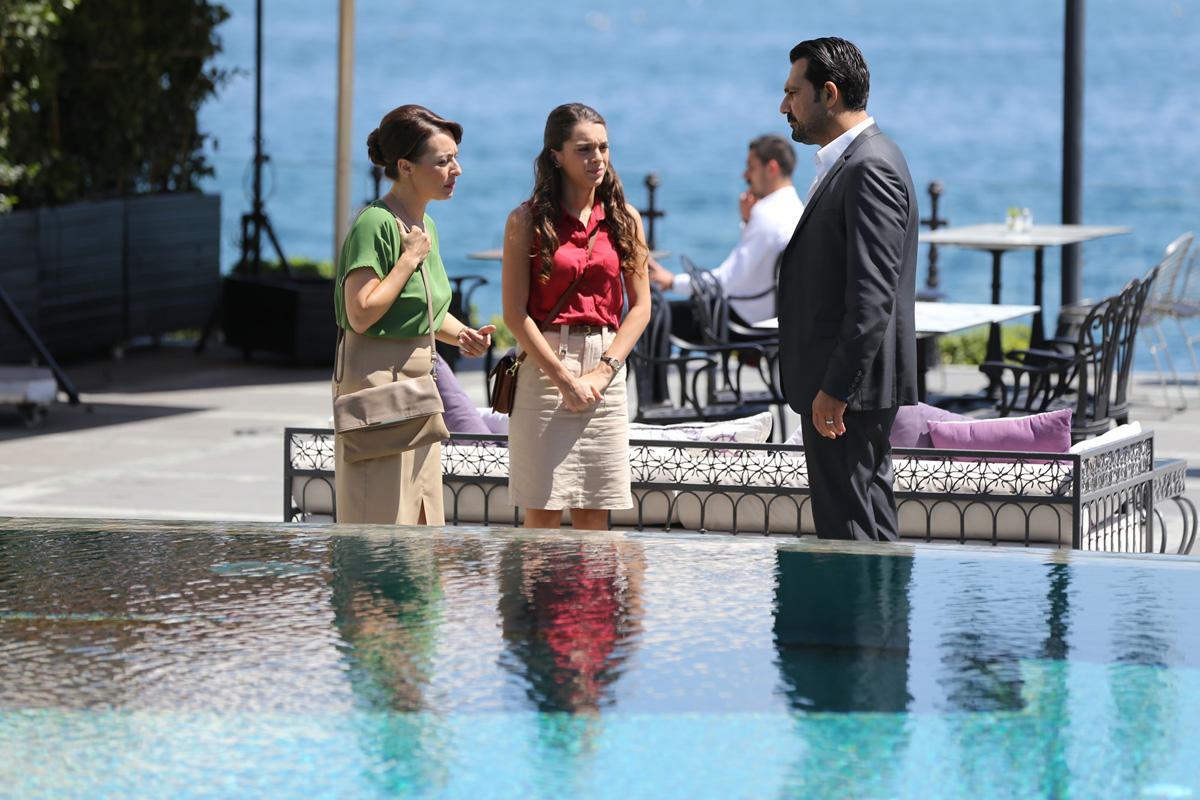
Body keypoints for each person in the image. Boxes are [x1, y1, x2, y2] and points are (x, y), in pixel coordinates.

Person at [775, 37, 918, 541]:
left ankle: (862, 601)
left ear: (829, 94)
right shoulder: (856, 160)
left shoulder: (868, 166)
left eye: (793, 92)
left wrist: (837, 388)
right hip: (842, 388)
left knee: (850, 530)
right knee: (864, 519)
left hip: (846, 392)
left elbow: (872, 295)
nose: (784, 106)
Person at [333, 104, 493, 525]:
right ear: (405, 167)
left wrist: (463, 334)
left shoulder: (425, 226)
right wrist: (408, 260)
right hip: (379, 387)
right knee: (380, 521)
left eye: (455, 158)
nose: (456, 170)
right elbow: (361, 312)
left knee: (421, 518)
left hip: (418, 390)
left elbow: (424, 310)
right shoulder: (375, 224)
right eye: (442, 161)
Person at [501, 103, 652, 531]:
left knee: (595, 512)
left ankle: (594, 584)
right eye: (584, 149)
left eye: (603, 147)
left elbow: (641, 306)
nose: (597, 158)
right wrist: (564, 379)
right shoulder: (526, 220)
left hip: (606, 364)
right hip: (546, 365)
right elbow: (514, 313)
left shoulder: (624, 218)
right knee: (542, 511)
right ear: (556, 156)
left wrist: (604, 371)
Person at [648, 134, 804, 336]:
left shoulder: (767, 213)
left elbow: (726, 281)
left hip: (741, 321)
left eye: (751, 167)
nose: (745, 175)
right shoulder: (796, 209)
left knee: (653, 317)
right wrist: (747, 223)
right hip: (772, 318)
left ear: (771, 168)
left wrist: (673, 282)